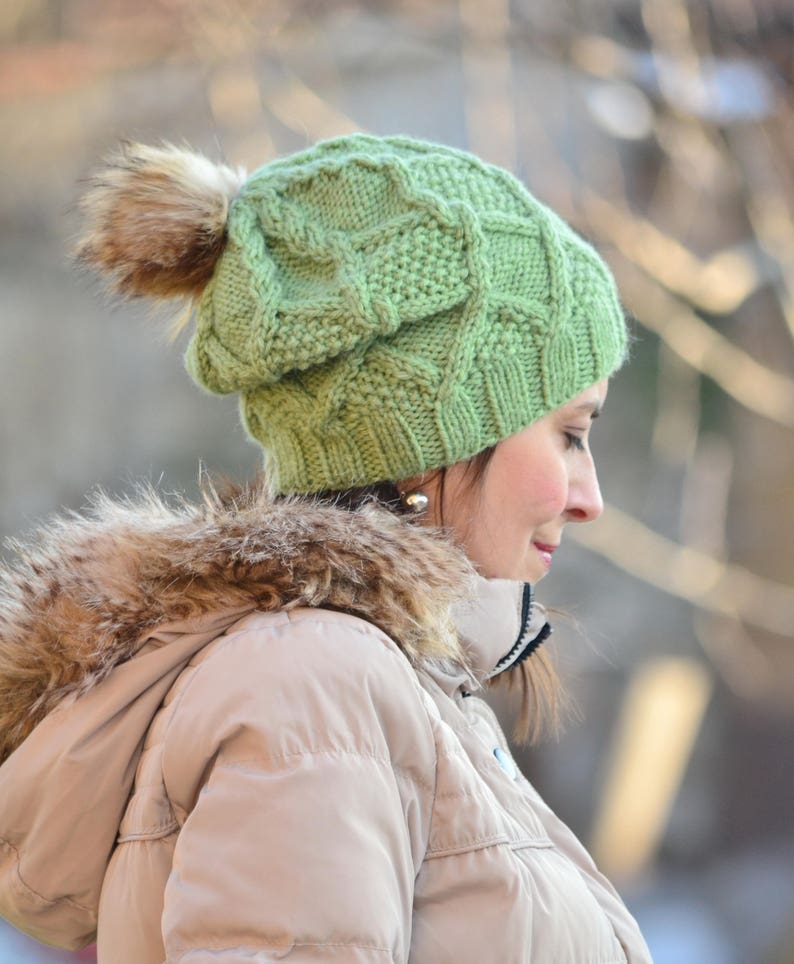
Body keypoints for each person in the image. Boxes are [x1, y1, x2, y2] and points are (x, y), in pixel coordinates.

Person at [0, 134, 652, 962]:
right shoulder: (314, 689)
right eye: (568, 433)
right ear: (429, 434)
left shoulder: (373, 688)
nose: (588, 498)